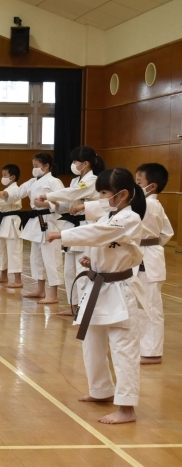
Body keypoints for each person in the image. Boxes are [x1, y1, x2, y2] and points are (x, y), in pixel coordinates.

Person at [46, 168, 147, 424]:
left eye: (104, 192)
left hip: (120, 292)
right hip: (98, 288)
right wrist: (95, 260)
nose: (101, 197)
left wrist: (61, 234)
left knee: (123, 348)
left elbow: (98, 234)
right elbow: (106, 243)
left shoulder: (130, 218)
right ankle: (101, 390)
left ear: (122, 194)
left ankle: (126, 407)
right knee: (92, 343)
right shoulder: (111, 215)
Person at [40, 147, 105, 315]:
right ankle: (74, 306)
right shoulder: (75, 181)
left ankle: (85, 309)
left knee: (82, 269)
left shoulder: (93, 180)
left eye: (75, 162)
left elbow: (73, 194)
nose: (73, 165)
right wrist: (52, 204)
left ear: (85, 164)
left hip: (86, 226)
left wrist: (49, 196)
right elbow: (68, 205)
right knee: (69, 270)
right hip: (71, 227)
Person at [0, 153, 64, 304]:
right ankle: (40, 290)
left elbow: (62, 200)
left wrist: (46, 204)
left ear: (46, 166)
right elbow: (18, 192)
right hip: (36, 221)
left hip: (49, 221)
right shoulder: (32, 182)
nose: (34, 169)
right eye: (33, 166)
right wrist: (6, 192)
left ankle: (53, 294)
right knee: (37, 258)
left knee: (52, 258)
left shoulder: (55, 181)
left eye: (36, 166)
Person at [135, 163, 174, 365]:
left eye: (138, 182)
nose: (135, 186)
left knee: (149, 306)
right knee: (143, 305)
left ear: (152, 186)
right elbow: (167, 232)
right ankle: (144, 347)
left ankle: (151, 353)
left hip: (147, 259)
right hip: (147, 255)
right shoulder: (153, 204)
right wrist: (153, 244)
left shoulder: (148, 204)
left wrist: (148, 244)